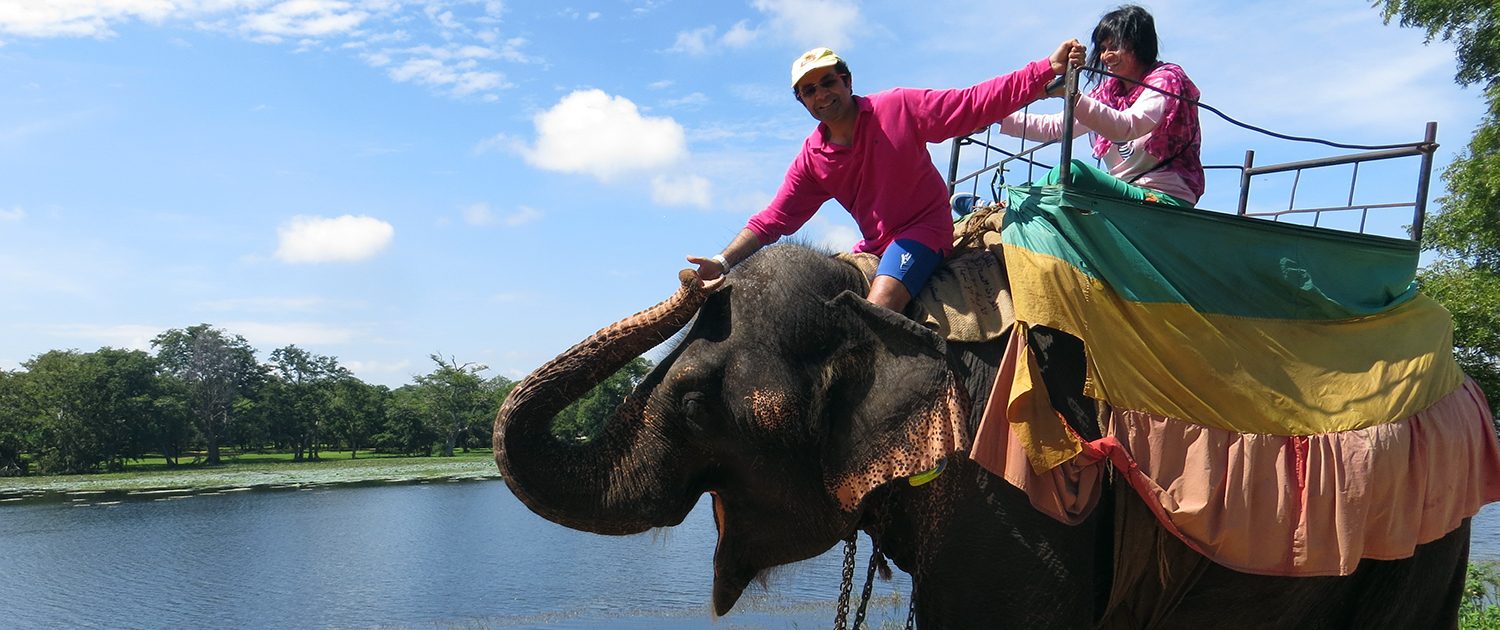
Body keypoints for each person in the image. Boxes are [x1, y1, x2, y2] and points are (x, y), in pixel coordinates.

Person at [688, 41, 1086, 313]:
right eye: (810, 90)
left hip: (923, 230)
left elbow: (972, 104)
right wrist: (723, 261)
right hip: (874, 245)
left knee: (878, 306)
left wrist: (1043, 70)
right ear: (802, 101)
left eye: (828, 81)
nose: (822, 94)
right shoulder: (812, 159)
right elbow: (774, 219)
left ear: (847, 81)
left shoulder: (897, 107)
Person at [997, 4, 1203, 206]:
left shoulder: (1167, 81)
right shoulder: (1109, 93)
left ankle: (1007, 207)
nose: (1106, 56)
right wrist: (994, 115)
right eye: (1103, 49)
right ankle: (1008, 206)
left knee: (1072, 173)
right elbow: (1055, 128)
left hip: (1164, 195)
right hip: (1123, 192)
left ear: (1139, 46)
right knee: (1059, 185)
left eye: (1115, 47)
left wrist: (1071, 96)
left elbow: (1127, 127)